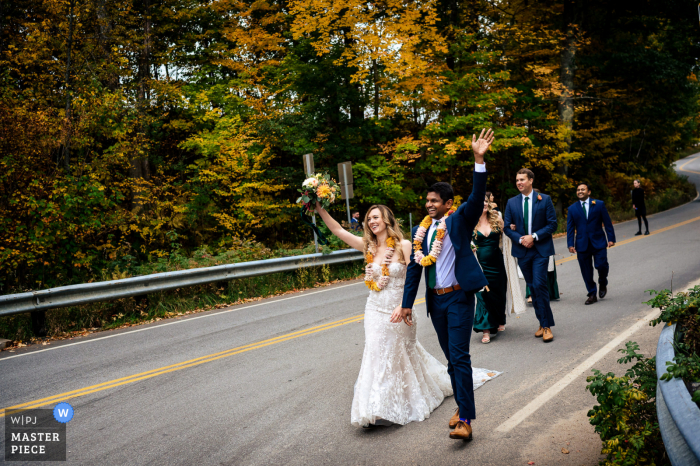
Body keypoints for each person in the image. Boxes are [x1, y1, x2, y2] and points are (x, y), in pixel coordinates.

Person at [393, 128, 497, 441]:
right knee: (452, 359)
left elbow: (478, 198)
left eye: (434, 200)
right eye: (426, 200)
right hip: (435, 303)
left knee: (459, 355)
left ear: (448, 203)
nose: (428, 204)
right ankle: (462, 402)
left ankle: (465, 418)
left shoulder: (460, 219)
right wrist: (407, 303)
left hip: (459, 298)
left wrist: (478, 160)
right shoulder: (420, 231)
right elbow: (414, 269)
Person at [314, 203, 453, 428]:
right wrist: (319, 208)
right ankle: (377, 407)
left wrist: (404, 305)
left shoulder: (404, 245)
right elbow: (339, 231)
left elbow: (413, 278)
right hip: (375, 309)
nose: (372, 222)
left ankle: (406, 398)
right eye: (369, 219)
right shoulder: (367, 246)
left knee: (399, 353)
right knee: (376, 352)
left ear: (387, 219)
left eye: (376, 217)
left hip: (401, 309)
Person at [503, 168, 558, 343]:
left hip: (540, 249)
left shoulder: (545, 200)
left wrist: (533, 237)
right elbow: (506, 228)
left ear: (531, 180)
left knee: (540, 285)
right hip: (523, 251)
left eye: (522, 179)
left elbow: (552, 225)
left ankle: (547, 326)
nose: (519, 182)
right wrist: (520, 239)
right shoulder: (511, 203)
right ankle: (542, 323)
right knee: (533, 287)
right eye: (517, 180)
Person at [567, 183, 616, 305]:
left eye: (583, 189)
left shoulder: (599, 204)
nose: (580, 191)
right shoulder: (572, 208)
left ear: (589, 192)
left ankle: (603, 282)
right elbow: (570, 228)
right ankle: (592, 293)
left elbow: (607, 222)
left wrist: (611, 238)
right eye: (578, 190)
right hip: (582, 243)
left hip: (598, 241)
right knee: (586, 270)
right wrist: (570, 244)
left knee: (602, 265)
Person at [473, 197, 508, 344]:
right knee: (483, 295)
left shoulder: (497, 219)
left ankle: (500, 319)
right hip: (481, 265)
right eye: (482, 201)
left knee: (499, 293)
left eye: (486, 201)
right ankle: (486, 329)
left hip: (497, 263)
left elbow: (508, 237)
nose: (485, 203)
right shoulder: (471, 223)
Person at [524, 190, 560, 303]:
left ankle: (549, 292)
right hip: (528, 245)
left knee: (546, 271)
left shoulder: (545, 203)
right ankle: (531, 294)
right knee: (531, 271)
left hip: (543, 242)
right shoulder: (523, 207)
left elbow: (551, 224)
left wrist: (536, 236)